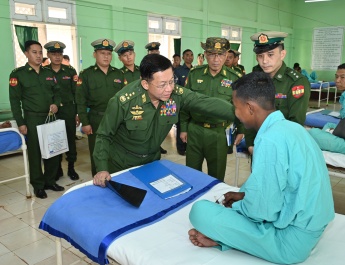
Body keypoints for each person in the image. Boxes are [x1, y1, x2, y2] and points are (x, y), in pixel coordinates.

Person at [188, 71, 335, 264]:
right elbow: (289, 186)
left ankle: (225, 238)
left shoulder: (269, 140)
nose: (235, 114)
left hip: (291, 241)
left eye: (236, 107)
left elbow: (264, 212)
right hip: (310, 225)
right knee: (240, 199)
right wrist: (245, 196)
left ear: (249, 107)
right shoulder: (294, 128)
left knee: (200, 212)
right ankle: (228, 237)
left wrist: (241, 206)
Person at [92, 54, 237, 187]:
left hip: (152, 162)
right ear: (145, 84)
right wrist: (102, 169)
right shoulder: (123, 102)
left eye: (171, 81)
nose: (169, 88)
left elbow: (204, 102)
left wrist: (240, 112)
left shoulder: (175, 94)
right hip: (122, 164)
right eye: (162, 84)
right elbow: (104, 135)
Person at [180, 37, 244, 181]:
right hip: (195, 130)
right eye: (212, 54)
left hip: (218, 133)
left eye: (220, 54)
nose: (216, 59)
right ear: (205, 55)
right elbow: (185, 102)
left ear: (226, 55)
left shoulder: (235, 78)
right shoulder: (194, 74)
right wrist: (183, 127)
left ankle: (214, 203)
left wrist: (241, 130)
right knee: (191, 175)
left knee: (216, 177)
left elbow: (240, 106)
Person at [9, 40, 64, 199]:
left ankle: (50, 181)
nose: (38, 56)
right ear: (26, 54)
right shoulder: (18, 74)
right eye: (34, 52)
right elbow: (14, 101)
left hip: (50, 117)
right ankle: (38, 185)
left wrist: (56, 104)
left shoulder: (49, 74)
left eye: (40, 52)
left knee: (53, 151)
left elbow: (57, 93)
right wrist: (21, 122)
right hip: (32, 118)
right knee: (35, 153)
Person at [247, 31, 311, 154]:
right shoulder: (254, 78)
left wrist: (277, 149)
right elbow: (250, 114)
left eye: (270, 54)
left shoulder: (296, 82)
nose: (264, 61)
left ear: (282, 54)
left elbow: (295, 123)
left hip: (281, 148)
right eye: (260, 56)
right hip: (257, 145)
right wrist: (250, 144)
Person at [76, 38, 124, 176]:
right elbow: (80, 100)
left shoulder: (118, 74)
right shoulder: (86, 75)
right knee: (97, 151)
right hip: (96, 119)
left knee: (116, 150)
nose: (106, 56)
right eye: (102, 53)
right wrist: (85, 122)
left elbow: (124, 99)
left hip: (116, 119)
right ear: (94, 54)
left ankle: (116, 178)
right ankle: (97, 180)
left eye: (109, 54)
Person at [44, 41, 79, 181]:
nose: (57, 57)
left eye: (60, 54)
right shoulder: (44, 72)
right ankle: (57, 168)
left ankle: (71, 168)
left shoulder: (70, 71)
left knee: (70, 139)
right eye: (54, 54)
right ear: (48, 55)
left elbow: (76, 93)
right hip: (52, 112)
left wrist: (77, 113)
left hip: (68, 110)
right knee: (55, 140)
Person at [144, 41, 167, 154]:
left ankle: (158, 145)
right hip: (147, 103)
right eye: (152, 51)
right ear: (148, 53)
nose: (154, 53)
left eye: (156, 51)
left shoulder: (164, 67)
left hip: (162, 102)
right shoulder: (144, 68)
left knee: (160, 125)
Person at [174, 49, 194, 156]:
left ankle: (189, 146)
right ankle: (181, 148)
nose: (189, 57)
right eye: (187, 55)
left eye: (191, 55)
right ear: (183, 57)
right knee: (181, 126)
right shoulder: (178, 71)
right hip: (182, 104)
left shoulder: (195, 70)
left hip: (192, 103)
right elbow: (176, 87)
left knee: (190, 126)